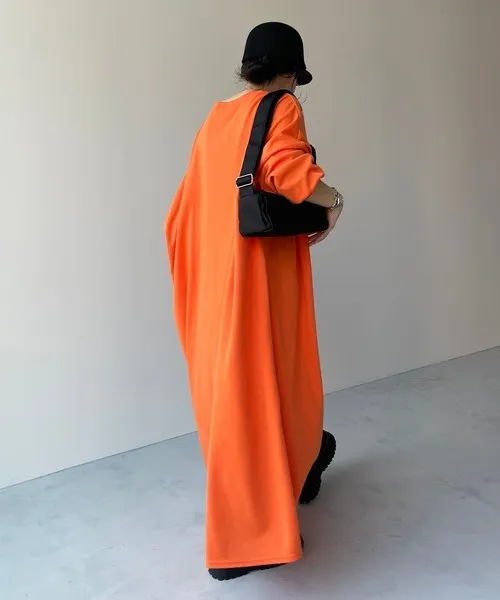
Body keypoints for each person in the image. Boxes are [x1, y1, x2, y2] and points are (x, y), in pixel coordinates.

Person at [165, 21, 343, 581]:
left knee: (238, 389)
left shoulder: (216, 117)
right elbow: (288, 172)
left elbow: (185, 205)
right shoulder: (281, 105)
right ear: (291, 72)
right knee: (275, 375)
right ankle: (250, 538)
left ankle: (303, 463)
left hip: (216, 276)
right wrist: (334, 201)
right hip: (260, 275)